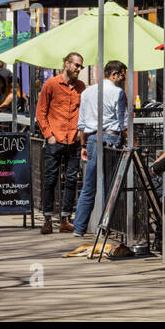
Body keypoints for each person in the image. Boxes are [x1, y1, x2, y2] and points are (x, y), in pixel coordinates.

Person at [71, 60, 129, 237]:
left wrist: (83, 145)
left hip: (92, 139)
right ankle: (103, 228)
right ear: (114, 74)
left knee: (89, 185)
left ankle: (79, 227)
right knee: (110, 185)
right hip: (111, 137)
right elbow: (123, 121)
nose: (123, 78)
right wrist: (131, 139)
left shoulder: (87, 92)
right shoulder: (118, 93)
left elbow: (81, 123)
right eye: (122, 75)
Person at [35, 52, 86, 234]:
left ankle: (65, 218)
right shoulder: (51, 84)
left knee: (71, 179)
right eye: (76, 65)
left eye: (81, 66)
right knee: (50, 179)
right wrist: (49, 135)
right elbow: (40, 112)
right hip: (55, 139)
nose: (79, 69)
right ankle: (47, 219)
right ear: (66, 64)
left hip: (73, 139)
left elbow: (84, 112)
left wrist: (81, 136)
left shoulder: (81, 87)